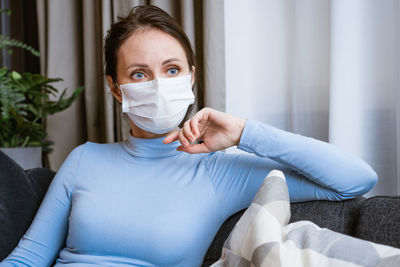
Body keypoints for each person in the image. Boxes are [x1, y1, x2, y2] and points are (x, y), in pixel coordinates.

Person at [0, 5, 377, 267]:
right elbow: (29, 257)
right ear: (116, 89)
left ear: (191, 77)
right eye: (139, 74)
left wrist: (246, 132)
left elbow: (354, 180)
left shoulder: (218, 172)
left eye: (172, 68)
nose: (158, 84)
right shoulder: (85, 159)